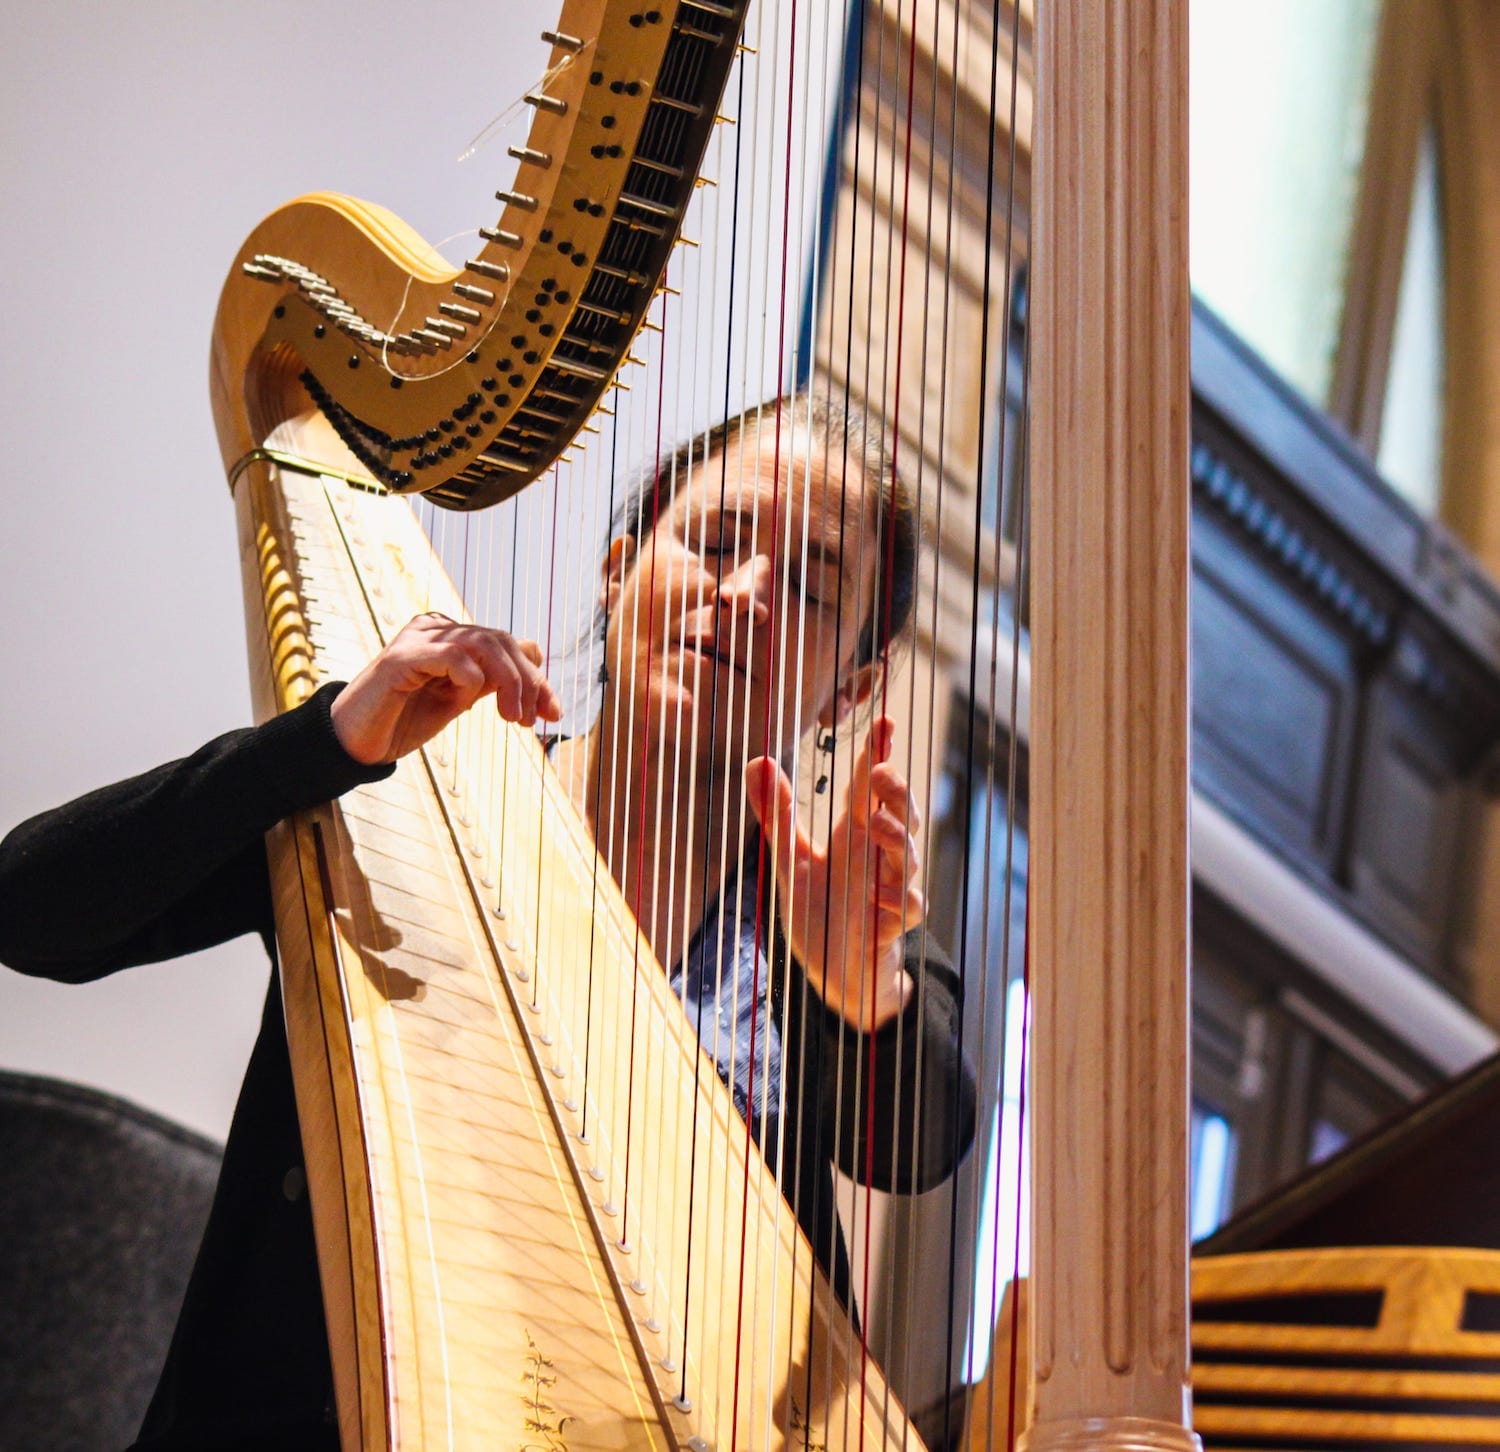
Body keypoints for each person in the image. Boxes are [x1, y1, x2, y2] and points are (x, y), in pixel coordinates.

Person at [0, 392, 974, 1450]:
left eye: (811, 590)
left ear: (851, 690)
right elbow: (33, 911)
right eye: (714, 543)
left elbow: (920, 1147)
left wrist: (864, 1001)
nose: (742, 595)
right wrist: (317, 744)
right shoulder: (400, 806)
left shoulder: (839, 925)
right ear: (618, 567)